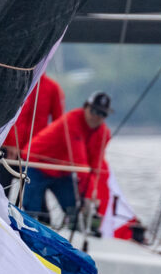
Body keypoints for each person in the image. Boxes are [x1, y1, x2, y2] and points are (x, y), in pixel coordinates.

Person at [22, 91, 113, 225]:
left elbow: (95, 166)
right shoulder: (72, 120)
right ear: (86, 107)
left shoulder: (104, 134)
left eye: (102, 114)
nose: (96, 116)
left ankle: (76, 230)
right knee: (32, 210)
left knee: (73, 210)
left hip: (62, 171)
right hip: (38, 165)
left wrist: (90, 195)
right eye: (94, 110)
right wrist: (88, 193)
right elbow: (80, 161)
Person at [0, 73, 64, 192]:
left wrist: (47, 151)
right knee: (1, 189)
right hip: (10, 148)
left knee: (33, 193)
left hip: (34, 153)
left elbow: (58, 125)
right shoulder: (17, 82)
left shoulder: (52, 88)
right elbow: (7, 114)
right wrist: (11, 142)